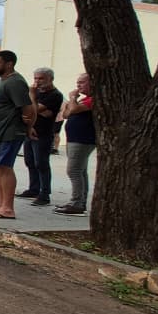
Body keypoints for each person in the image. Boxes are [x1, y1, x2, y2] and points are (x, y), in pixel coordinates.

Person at [0, 50, 35, 220]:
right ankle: (0, 203)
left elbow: (27, 108)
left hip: (9, 132)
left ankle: (8, 208)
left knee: (4, 167)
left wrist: (29, 126)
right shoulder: (4, 81)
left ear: (9, 64)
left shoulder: (15, 82)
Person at [18, 68, 63, 206]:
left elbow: (34, 109)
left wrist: (31, 97)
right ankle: (34, 188)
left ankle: (45, 193)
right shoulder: (37, 93)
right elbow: (26, 109)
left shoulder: (54, 95)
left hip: (43, 133)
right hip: (30, 130)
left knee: (41, 163)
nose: (37, 82)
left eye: (41, 78)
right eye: (36, 78)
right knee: (30, 161)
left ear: (50, 79)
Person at [54, 73, 95, 216]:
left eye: (82, 82)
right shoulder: (82, 99)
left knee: (74, 170)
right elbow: (66, 114)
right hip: (74, 138)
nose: (78, 85)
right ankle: (79, 201)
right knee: (80, 170)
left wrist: (72, 98)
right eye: (77, 82)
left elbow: (74, 110)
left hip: (83, 139)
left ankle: (77, 203)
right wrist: (72, 102)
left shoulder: (92, 100)